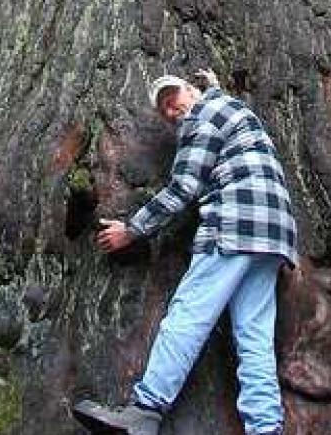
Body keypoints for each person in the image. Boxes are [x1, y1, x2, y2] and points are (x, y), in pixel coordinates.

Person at [73, 71, 299, 435]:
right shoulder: (231, 108)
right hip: (273, 234)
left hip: (235, 225)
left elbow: (183, 187)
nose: (171, 109)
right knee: (254, 337)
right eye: (164, 109)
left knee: (188, 316)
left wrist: (131, 230)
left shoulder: (203, 115)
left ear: (192, 92)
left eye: (173, 97)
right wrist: (214, 87)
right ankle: (266, 428)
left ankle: (145, 412)